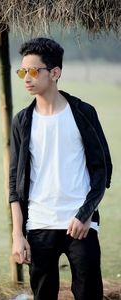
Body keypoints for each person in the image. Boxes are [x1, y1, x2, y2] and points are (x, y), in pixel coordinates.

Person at [9, 37, 112, 300]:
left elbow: (103, 170)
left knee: (89, 293)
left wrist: (86, 214)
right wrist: (17, 234)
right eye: (23, 71)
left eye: (33, 71)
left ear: (55, 73)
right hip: (39, 223)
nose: (26, 78)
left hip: (80, 222)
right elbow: (14, 183)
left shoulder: (83, 113)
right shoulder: (22, 120)